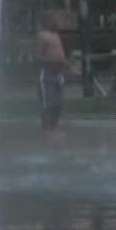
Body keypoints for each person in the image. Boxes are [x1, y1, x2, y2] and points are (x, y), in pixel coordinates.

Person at [36, 10, 72, 140]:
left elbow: (60, 54)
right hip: (47, 74)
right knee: (48, 103)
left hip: (58, 73)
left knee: (59, 102)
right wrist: (55, 61)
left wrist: (66, 65)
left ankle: (55, 126)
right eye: (57, 20)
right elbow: (39, 57)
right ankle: (47, 128)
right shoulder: (42, 35)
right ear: (48, 21)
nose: (59, 23)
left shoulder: (56, 36)